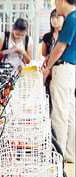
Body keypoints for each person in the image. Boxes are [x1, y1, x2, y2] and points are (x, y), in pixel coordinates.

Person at [42, 0, 75, 163]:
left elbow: (60, 47)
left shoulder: (71, 19)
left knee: (59, 113)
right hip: (70, 70)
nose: (56, 5)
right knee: (69, 112)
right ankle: (69, 153)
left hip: (62, 70)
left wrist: (47, 66)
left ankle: (57, 155)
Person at [41, 9, 64, 97]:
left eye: (58, 17)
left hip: (62, 67)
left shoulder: (65, 35)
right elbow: (44, 53)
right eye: (53, 17)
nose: (55, 20)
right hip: (49, 68)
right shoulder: (47, 37)